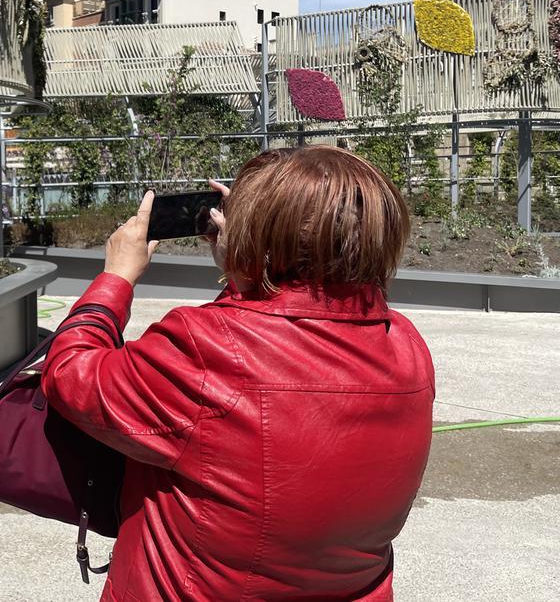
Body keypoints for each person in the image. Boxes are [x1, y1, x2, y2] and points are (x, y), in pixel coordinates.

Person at [42, 146, 434, 601]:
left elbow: (70, 375)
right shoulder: (405, 343)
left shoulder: (206, 345)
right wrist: (253, 258)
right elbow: (291, 317)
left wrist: (116, 278)